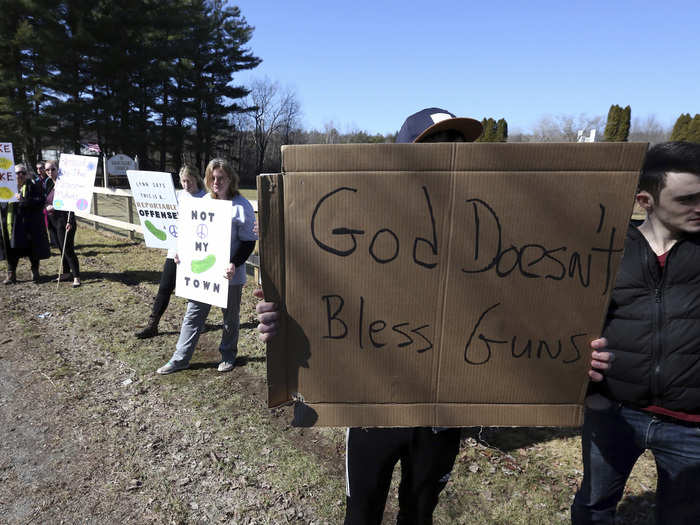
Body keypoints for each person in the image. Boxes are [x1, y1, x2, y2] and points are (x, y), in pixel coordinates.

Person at [255, 108, 483, 525]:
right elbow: (318, 298)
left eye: (456, 148)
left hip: (442, 415)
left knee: (419, 514)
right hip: (373, 410)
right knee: (362, 513)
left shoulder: (486, 235)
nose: (447, 159)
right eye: (433, 148)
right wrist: (281, 322)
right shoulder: (359, 230)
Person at [572, 141, 700, 525]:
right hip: (613, 412)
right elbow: (567, 321)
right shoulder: (605, 250)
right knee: (593, 506)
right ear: (646, 200)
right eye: (688, 199)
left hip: (692, 427)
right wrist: (579, 357)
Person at [156, 158, 257, 375]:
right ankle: (180, 358)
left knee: (230, 317)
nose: (216, 182)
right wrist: (181, 253)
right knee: (193, 315)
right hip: (203, 273)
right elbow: (192, 233)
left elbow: (249, 241)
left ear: (230, 178)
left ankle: (228, 355)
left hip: (229, 274)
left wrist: (234, 263)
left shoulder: (241, 206)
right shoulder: (204, 201)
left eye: (221, 178)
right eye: (212, 178)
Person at [135, 165, 207, 339]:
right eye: (183, 181)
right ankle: (153, 325)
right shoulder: (177, 197)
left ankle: (198, 323)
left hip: (197, 251)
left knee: (195, 290)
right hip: (175, 250)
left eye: (188, 180)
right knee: (165, 287)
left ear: (196, 179)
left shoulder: (206, 198)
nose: (185, 184)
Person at [1, 164, 51, 284]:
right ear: (12, 175)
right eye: (18, 173)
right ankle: (11, 274)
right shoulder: (5, 188)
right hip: (11, 224)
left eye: (23, 172)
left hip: (29, 225)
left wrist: (24, 200)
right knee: (11, 250)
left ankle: (35, 272)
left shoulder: (33, 185)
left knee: (32, 248)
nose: (21, 175)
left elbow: (40, 201)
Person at [44, 160, 81, 287]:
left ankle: (76, 277)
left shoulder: (65, 185)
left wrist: (70, 221)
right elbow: (46, 201)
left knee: (68, 249)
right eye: (47, 170)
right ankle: (66, 273)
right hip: (52, 222)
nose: (50, 172)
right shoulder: (49, 184)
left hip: (64, 221)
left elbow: (71, 205)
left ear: (58, 169)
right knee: (61, 248)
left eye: (52, 169)